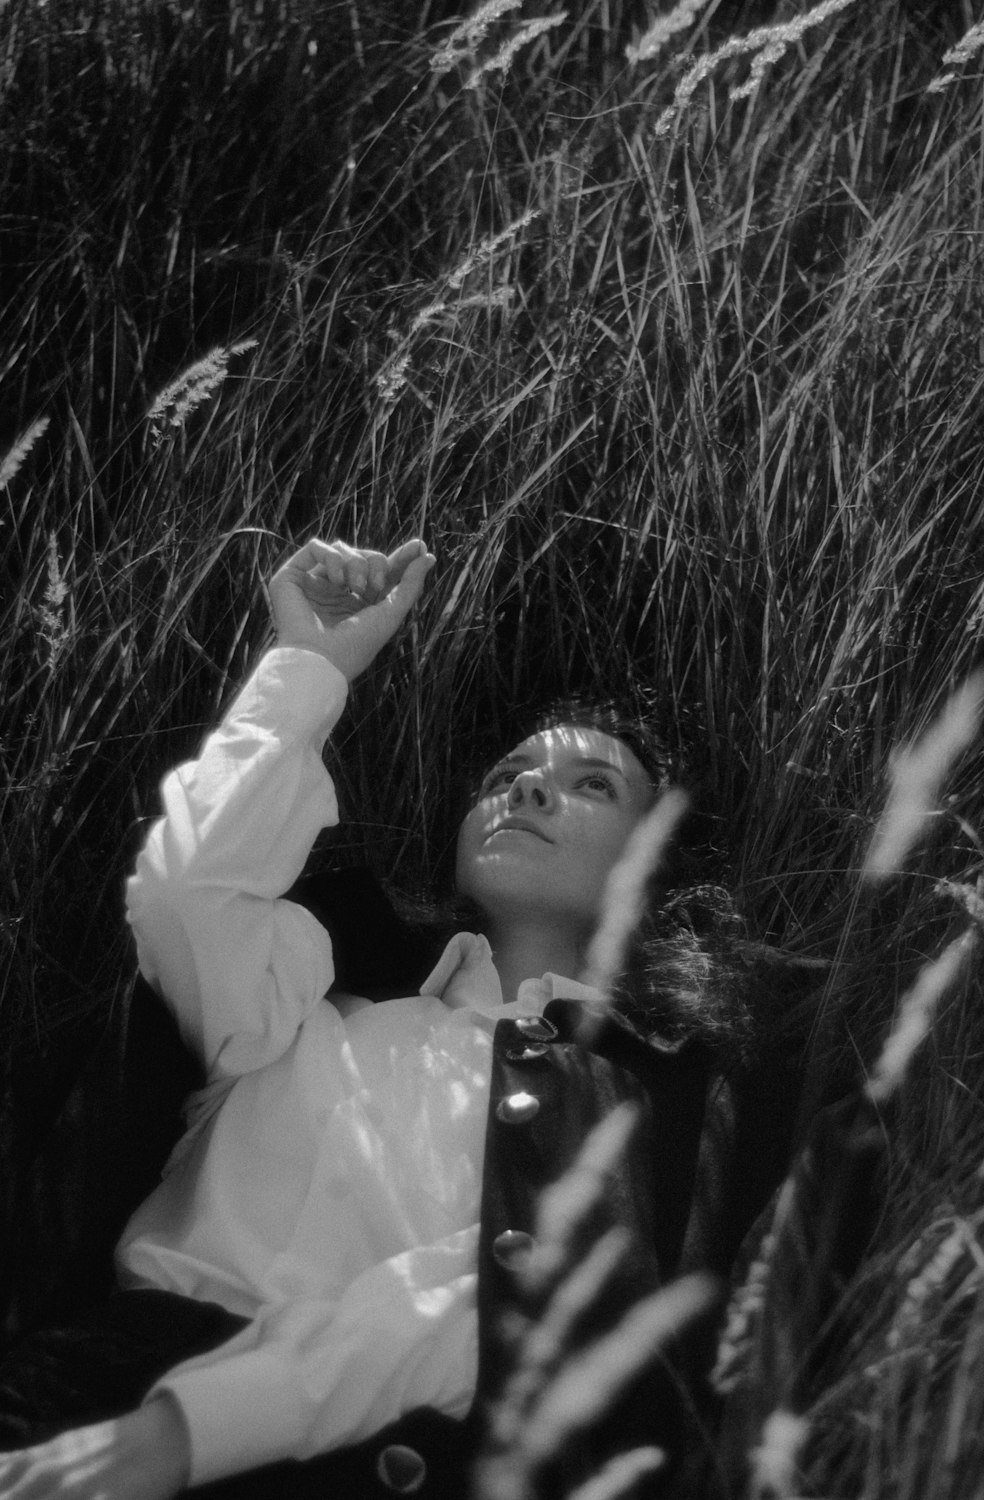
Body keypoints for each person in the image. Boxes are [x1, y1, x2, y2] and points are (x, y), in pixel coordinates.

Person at [0, 537, 809, 1500]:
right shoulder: (310, 986)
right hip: (81, 1389)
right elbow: (186, 895)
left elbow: (494, 1306)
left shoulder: (655, 1092)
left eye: (597, 785)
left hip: (330, 1461)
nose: (532, 787)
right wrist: (309, 663)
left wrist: (181, 1435)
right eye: (510, 772)